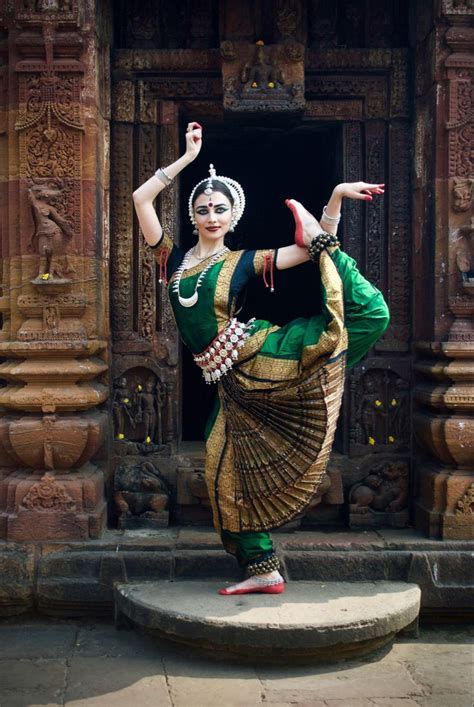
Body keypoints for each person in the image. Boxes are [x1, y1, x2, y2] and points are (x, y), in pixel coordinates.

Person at [133, 121, 389, 596]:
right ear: (192, 216)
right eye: (204, 208)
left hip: (257, 356)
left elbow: (309, 249)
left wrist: (332, 199)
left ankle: (260, 564)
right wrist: (187, 161)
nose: (212, 215)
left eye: (221, 209)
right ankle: (263, 568)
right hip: (230, 384)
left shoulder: (244, 261)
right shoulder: (171, 258)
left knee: (355, 324)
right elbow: (141, 200)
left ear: (234, 217)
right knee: (218, 468)